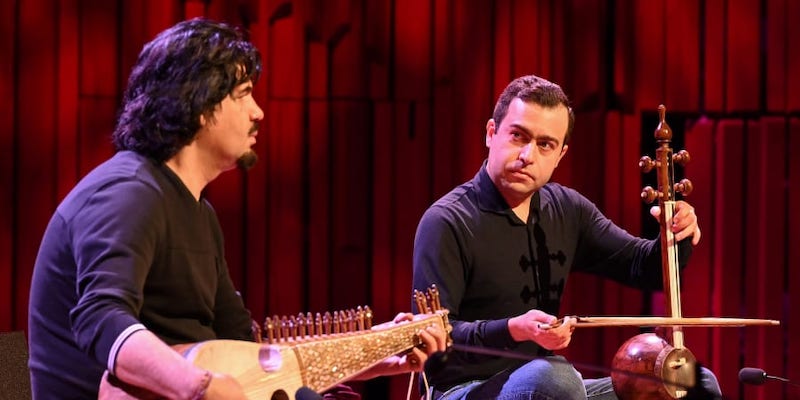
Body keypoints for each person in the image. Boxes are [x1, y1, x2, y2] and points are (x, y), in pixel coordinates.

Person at [28, 18, 445, 400]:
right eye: (244, 94)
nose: (258, 112)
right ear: (200, 103)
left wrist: (369, 357)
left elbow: (246, 353)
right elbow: (100, 317)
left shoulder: (199, 213)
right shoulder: (127, 192)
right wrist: (200, 386)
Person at [411, 74, 722, 399]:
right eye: (518, 136)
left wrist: (677, 235)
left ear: (560, 155)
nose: (528, 155)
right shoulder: (446, 221)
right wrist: (512, 329)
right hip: (462, 390)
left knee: (693, 384)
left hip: (545, 386)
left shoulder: (565, 210)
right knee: (555, 379)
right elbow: (433, 338)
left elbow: (646, 269)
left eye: (545, 144)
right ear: (491, 133)